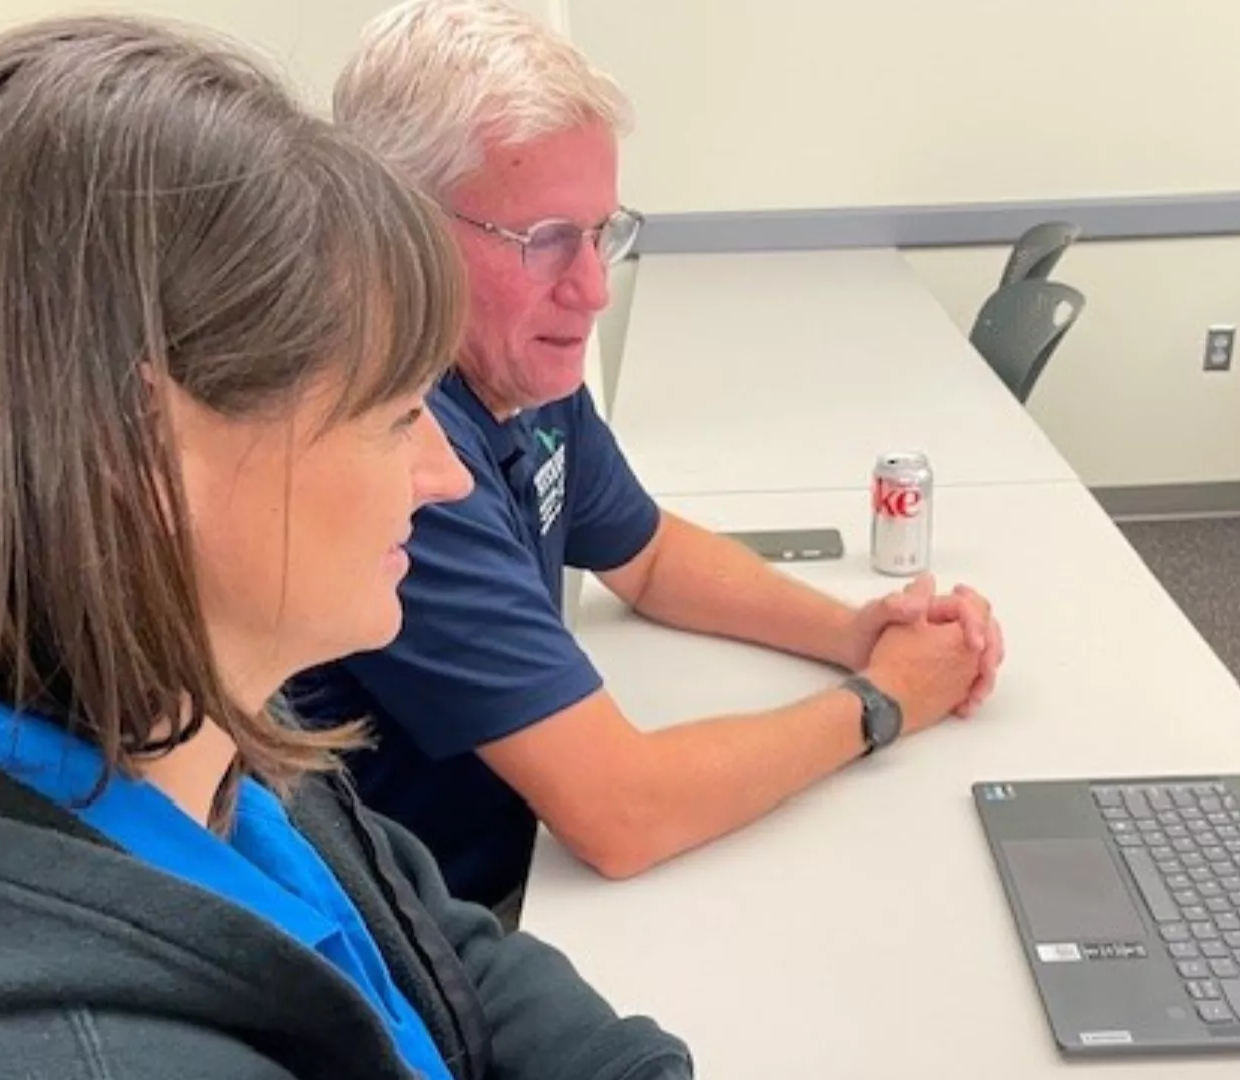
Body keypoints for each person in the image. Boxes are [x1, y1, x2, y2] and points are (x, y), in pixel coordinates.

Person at [0, 17, 689, 1080]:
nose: (446, 472)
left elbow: (442, 957)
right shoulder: (52, 1048)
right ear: (139, 453)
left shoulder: (188, 725)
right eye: (394, 412)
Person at [289, 0, 1009, 920]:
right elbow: (622, 812)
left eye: (601, 233)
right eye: (545, 239)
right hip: (442, 927)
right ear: (399, 227)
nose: (591, 288)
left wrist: (852, 631)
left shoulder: (517, 372)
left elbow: (651, 557)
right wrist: (885, 701)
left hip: (522, 871)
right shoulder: (399, 450)